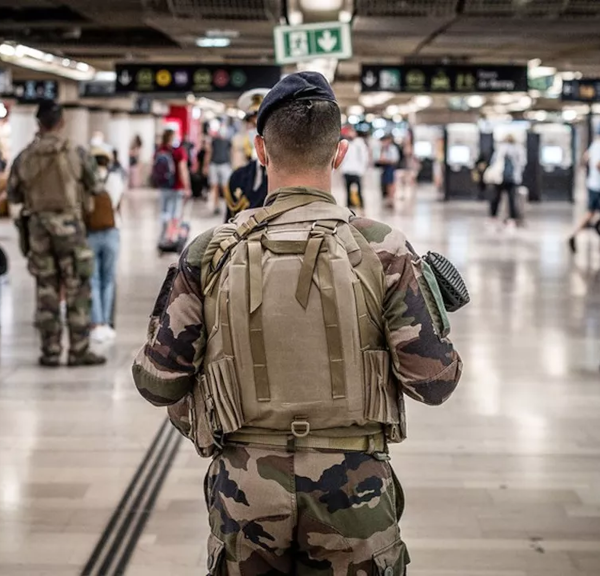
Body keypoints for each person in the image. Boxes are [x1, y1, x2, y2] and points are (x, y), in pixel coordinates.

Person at [132, 72, 462, 575]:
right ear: (340, 153)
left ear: (261, 150)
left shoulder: (208, 252)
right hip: (355, 492)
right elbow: (434, 383)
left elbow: (157, 381)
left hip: (245, 492)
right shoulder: (384, 249)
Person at [7, 100, 105, 367]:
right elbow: (96, 186)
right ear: (61, 122)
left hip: (38, 231)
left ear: (38, 123)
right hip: (71, 230)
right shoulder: (77, 152)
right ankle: (79, 350)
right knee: (77, 289)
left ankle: (50, 351)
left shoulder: (24, 157)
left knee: (46, 291)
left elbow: (13, 195)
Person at [87, 144, 125, 343]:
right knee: (108, 278)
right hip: (112, 231)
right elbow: (117, 204)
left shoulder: (87, 181)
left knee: (92, 278)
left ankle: (97, 323)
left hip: (91, 232)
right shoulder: (116, 179)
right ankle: (108, 324)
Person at [224, 88, 269, 220]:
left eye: (260, 125)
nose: (255, 131)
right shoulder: (238, 176)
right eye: (252, 124)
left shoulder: (288, 175)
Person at [569, 127, 600, 253]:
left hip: (593, 184)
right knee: (590, 214)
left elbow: (584, 159)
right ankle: (574, 235)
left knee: (590, 213)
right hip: (598, 186)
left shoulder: (595, 144)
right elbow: (598, 165)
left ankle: (574, 234)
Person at [155, 129, 190, 239]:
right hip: (177, 186)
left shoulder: (160, 150)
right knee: (175, 211)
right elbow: (182, 169)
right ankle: (172, 235)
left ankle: (164, 233)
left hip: (164, 185)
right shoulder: (179, 151)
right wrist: (187, 186)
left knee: (164, 211)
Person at [488, 134, 526, 230]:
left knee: (496, 198)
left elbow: (494, 161)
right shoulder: (519, 149)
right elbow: (522, 163)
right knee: (512, 199)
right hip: (513, 178)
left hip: (499, 178)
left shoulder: (500, 148)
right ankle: (512, 219)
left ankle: (493, 217)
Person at [340, 126, 369, 211]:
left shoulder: (360, 144)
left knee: (359, 190)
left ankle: (361, 207)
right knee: (347, 190)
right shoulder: (345, 143)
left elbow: (364, 157)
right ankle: (348, 207)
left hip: (357, 171)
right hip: (347, 170)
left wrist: (362, 169)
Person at [205, 126, 232, 215]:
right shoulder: (216, 141)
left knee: (223, 187)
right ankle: (218, 205)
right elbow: (210, 152)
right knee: (216, 186)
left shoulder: (225, 142)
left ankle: (226, 205)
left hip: (222, 164)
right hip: (217, 164)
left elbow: (210, 152)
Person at [376, 133, 400, 207]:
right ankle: (385, 198)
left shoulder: (393, 148)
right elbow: (378, 159)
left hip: (390, 168)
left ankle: (391, 199)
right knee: (383, 184)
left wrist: (386, 161)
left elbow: (395, 160)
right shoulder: (381, 148)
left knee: (390, 184)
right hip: (383, 168)